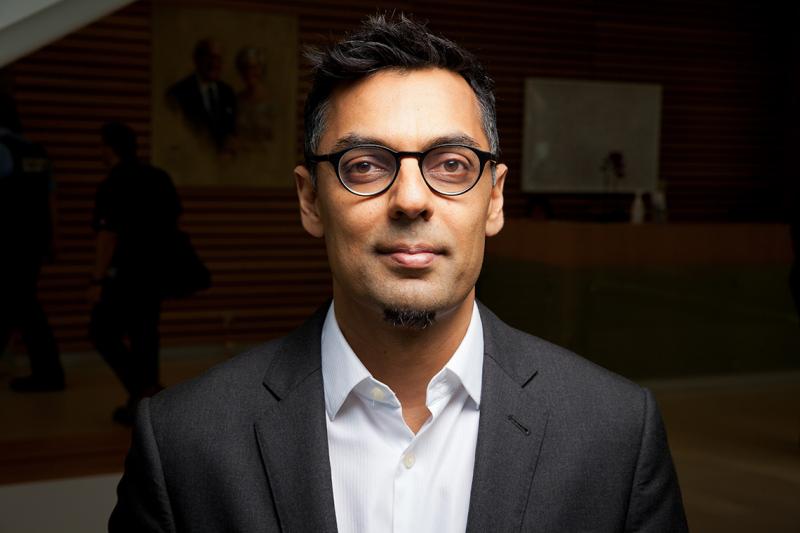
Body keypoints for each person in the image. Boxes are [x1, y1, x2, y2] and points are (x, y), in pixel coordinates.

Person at [110, 14, 687, 532]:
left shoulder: (615, 433)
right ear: (310, 200)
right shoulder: (184, 442)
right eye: (364, 165)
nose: (411, 199)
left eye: (452, 164)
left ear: (494, 200)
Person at [89, 122, 182, 426]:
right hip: (157, 271)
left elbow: (108, 235)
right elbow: (174, 220)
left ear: (109, 147)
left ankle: (143, 393)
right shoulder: (158, 177)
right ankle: (145, 398)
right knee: (145, 333)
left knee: (101, 330)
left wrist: (97, 279)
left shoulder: (114, 183)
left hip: (124, 273)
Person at [0, 92, 64, 392]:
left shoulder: (2, 150)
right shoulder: (36, 152)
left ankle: (50, 372)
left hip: (8, 243)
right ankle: (49, 371)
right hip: (33, 243)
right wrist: (52, 239)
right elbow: (50, 200)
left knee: (24, 307)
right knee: (19, 304)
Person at [166, 38, 237, 151]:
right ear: (196, 59)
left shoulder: (228, 92)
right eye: (209, 57)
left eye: (217, 58)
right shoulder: (178, 93)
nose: (213, 63)